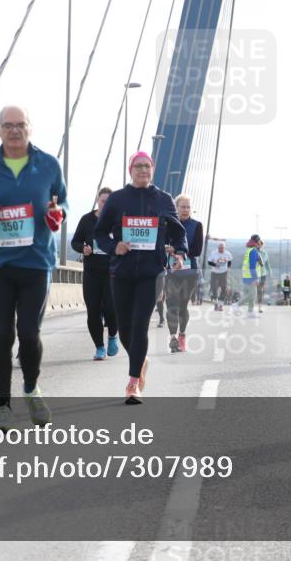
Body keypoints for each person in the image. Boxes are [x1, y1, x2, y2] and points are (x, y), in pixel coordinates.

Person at [0, 106, 67, 430]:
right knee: (2, 336)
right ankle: (3, 407)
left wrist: (57, 212)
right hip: (2, 265)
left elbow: (62, 203)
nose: (14, 131)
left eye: (20, 125)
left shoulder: (48, 165)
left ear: (30, 128)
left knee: (29, 333)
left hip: (37, 263)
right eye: (8, 126)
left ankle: (31, 388)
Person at [95, 151, 187, 404]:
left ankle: (133, 382)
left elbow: (179, 234)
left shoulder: (164, 200)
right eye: (138, 166)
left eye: (147, 166)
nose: (143, 170)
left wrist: (180, 252)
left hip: (151, 272)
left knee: (139, 323)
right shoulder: (117, 199)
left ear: (153, 169)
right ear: (130, 170)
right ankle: (141, 360)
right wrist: (115, 247)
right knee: (124, 328)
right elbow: (100, 233)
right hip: (122, 272)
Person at [71, 187, 119, 361]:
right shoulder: (87, 220)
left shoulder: (118, 220)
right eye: (102, 201)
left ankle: (113, 335)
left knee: (111, 310)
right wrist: (83, 249)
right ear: (97, 201)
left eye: (109, 201)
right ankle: (99, 347)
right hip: (91, 273)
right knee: (93, 311)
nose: (105, 204)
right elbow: (75, 241)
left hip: (112, 273)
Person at [165, 195, 202, 352]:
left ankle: (182, 335)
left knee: (182, 305)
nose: (186, 210)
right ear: (176, 207)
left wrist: (177, 250)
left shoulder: (196, 225)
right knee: (171, 304)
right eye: (183, 207)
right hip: (170, 270)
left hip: (189, 270)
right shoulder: (167, 224)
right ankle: (173, 337)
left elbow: (197, 250)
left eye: (188, 207)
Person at [239, 234, 265, 318]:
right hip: (251, 275)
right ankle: (236, 305)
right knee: (252, 294)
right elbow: (252, 266)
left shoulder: (250, 249)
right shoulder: (253, 251)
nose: (260, 243)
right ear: (257, 242)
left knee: (252, 294)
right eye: (259, 241)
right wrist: (255, 278)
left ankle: (250, 312)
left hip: (246, 274)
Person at [206, 240, 233, 311]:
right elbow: (209, 262)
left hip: (224, 273)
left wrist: (228, 268)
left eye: (222, 248)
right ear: (218, 247)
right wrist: (215, 264)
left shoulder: (228, 254)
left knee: (223, 289)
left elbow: (230, 262)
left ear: (224, 248)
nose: (221, 249)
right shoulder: (214, 253)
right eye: (219, 248)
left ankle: (220, 305)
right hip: (214, 273)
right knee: (214, 289)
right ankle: (216, 304)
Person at [256, 237, 271, 312]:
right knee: (258, 290)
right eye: (257, 244)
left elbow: (267, 263)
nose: (259, 246)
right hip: (255, 274)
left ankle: (259, 307)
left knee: (260, 290)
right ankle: (257, 305)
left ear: (262, 245)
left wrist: (270, 272)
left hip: (263, 274)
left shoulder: (265, 253)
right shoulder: (253, 252)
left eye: (260, 244)